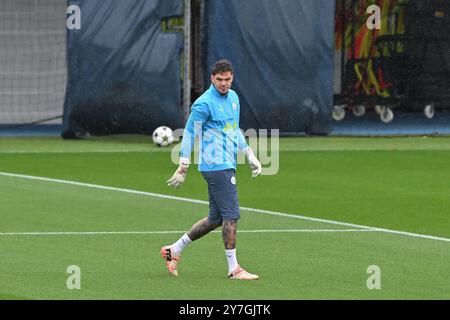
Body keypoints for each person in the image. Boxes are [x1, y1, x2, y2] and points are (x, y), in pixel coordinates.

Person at [161, 59, 262, 280]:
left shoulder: (234, 99)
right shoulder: (203, 103)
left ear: (232, 78)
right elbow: (189, 133)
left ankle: (173, 250)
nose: (224, 84)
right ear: (212, 79)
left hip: (228, 163)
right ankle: (234, 269)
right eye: (219, 80)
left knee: (215, 219)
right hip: (216, 166)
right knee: (232, 216)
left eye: (227, 79)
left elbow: (233, 130)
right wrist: (183, 164)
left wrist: (250, 154)